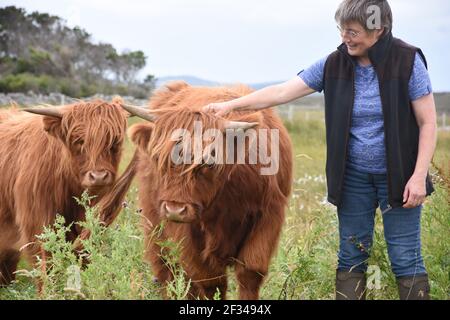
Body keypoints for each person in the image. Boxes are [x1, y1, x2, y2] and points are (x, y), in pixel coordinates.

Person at [203, 0, 437, 300]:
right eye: (341, 29)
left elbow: (428, 122)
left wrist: (418, 177)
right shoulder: (333, 63)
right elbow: (282, 92)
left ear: (378, 29)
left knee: (405, 258)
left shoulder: (407, 61)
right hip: (352, 178)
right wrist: (229, 105)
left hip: (401, 178)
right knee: (351, 256)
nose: (344, 37)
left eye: (352, 31)